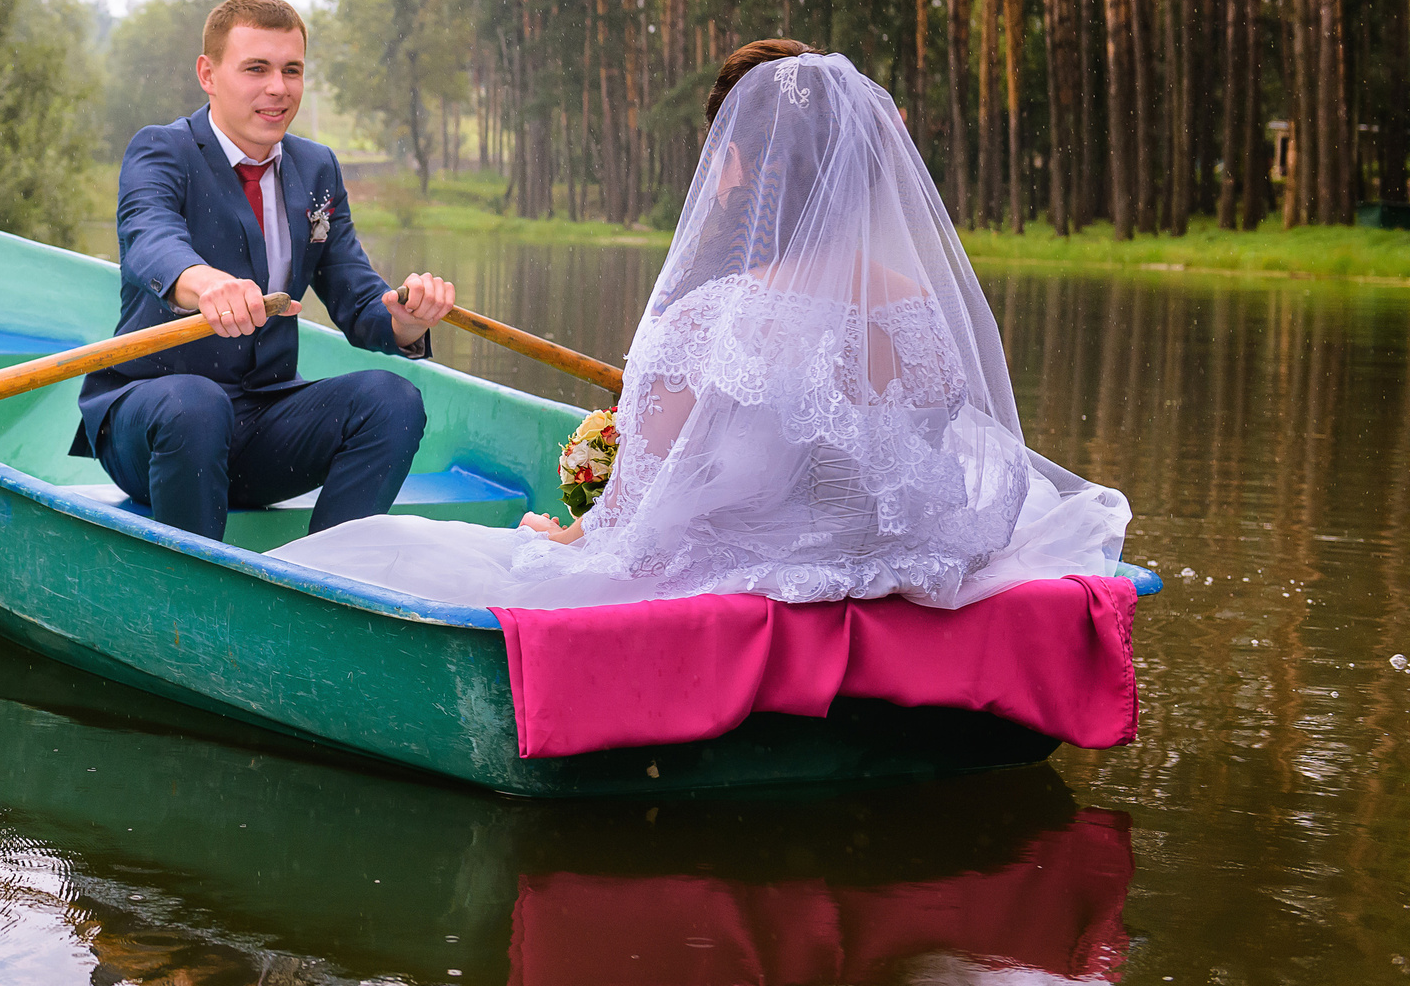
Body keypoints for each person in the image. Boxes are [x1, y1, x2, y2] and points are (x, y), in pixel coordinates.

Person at [273, 41, 1131, 611]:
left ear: (741, 165)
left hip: (738, 586)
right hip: (881, 570)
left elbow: (637, 521)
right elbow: (906, 462)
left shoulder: (709, 318)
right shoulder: (920, 310)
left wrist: (559, 530)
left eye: (722, 146)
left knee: (384, 553)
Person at [71, 0, 458, 541]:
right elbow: (149, 240)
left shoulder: (316, 166)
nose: (278, 88)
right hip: (156, 425)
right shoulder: (162, 151)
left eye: (291, 70)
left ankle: (326, 583)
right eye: (256, 69)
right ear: (208, 73)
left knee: (391, 400)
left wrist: (408, 319)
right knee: (196, 405)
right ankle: (193, 591)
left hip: (262, 426)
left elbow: (358, 299)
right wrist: (206, 284)